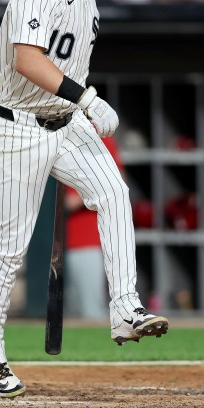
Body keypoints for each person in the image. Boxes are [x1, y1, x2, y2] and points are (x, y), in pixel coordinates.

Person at [0, 0, 169, 399]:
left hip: (65, 121)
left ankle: (125, 308)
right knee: (11, 248)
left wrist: (79, 103)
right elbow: (27, 61)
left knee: (114, 194)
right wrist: (89, 98)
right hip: (20, 126)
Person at [64, 135, 123, 319]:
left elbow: (115, 181)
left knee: (91, 314)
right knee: (64, 317)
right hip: (51, 244)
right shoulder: (46, 133)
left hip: (85, 239)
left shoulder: (93, 134)